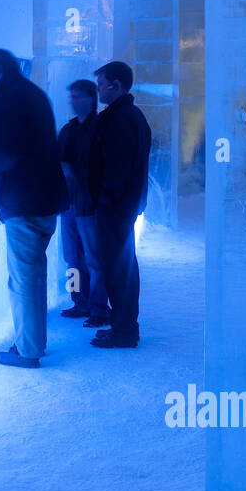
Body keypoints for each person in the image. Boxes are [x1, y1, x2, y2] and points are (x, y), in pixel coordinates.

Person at [0, 49, 68, 368]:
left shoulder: (11, 99)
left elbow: (4, 151)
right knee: (34, 276)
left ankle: (28, 350)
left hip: (24, 201)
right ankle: (33, 342)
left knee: (23, 280)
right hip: (44, 199)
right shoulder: (33, 95)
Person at [85, 60, 151, 349]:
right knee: (120, 266)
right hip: (120, 205)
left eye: (101, 84)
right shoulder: (127, 115)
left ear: (116, 85)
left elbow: (116, 167)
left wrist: (105, 198)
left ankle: (124, 330)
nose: (98, 89)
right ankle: (124, 326)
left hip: (115, 207)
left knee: (118, 268)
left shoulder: (120, 118)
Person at [57, 80, 109, 327]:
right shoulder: (69, 130)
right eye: (72, 97)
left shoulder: (99, 129)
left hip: (88, 202)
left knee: (93, 258)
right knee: (72, 257)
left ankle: (97, 307)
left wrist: (70, 171)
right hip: (69, 202)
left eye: (78, 96)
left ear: (91, 98)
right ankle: (80, 302)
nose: (73, 101)